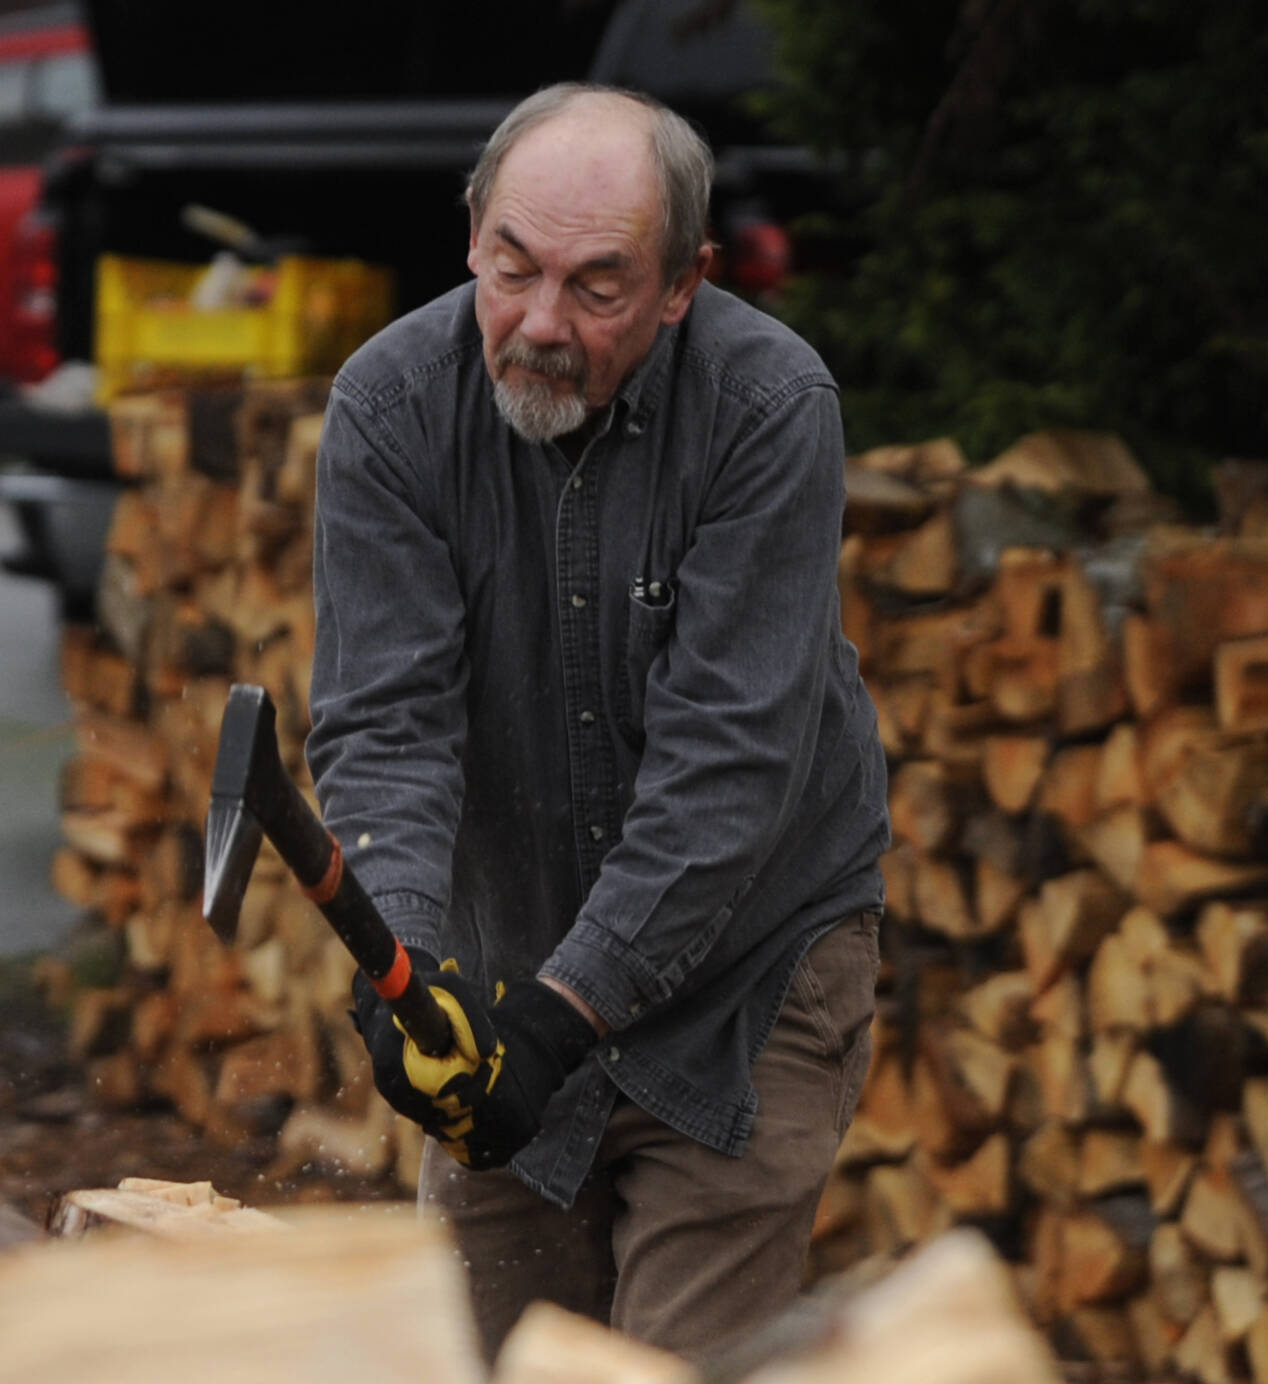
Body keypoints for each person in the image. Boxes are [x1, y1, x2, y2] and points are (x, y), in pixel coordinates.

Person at [304, 82, 889, 1364]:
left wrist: (563, 1019)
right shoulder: (390, 410)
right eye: (511, 270)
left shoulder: (769, 411)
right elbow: (387, 726)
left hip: (747, 969)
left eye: (597, 287)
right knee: (501, 1354)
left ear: (682, 284)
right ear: (471, 235)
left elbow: (726, 770)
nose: (539, 326)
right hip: (505, 948)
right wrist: (406, 968)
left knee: (663, 1363)